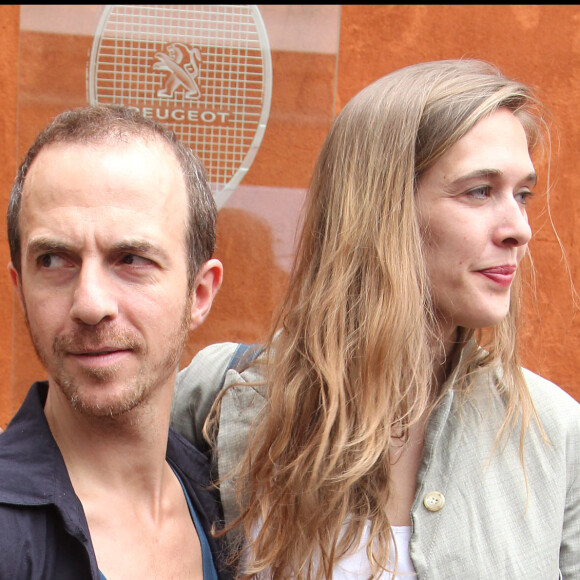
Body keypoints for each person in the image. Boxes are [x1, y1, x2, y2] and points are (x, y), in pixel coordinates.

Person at [172, 59, 580, 579]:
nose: (519, 228)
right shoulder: (225, 398)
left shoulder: (552, 435)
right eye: (480, 191)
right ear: (380, 207)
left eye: (522, 194)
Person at [0, 105, 229, 579]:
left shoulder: (231, 506)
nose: (90, 303)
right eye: (53, 260)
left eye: (131, 258)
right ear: (19, 286)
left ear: (199, 293)